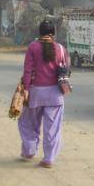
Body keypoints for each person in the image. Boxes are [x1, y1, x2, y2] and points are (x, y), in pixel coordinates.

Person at [19, 19, 69, 168]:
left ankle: (29, 151)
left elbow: (27, 71)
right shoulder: (60, 48)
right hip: (55, 95)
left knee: (27, 123)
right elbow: (66, 70)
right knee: (52, 128)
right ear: (53, 33)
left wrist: (26, 90)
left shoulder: (33, 47)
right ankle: (49, 159)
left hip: (35, 93)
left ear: (39, 32)